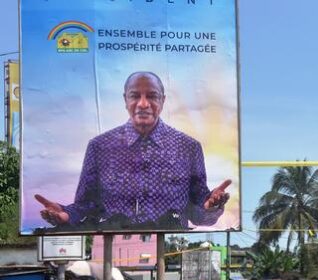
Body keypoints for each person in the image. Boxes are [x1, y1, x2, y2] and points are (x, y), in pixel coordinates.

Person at [34, 71, 231, 231]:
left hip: (171, 249)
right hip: (112, 250)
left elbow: (198, 214)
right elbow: (87, 206)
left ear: (162, 100)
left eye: (152, 96)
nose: (143, 104)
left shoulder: (189, 148)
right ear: (125, 100)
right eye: (135, 96)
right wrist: (66, 214)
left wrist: (211, 206)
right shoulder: (99, 147)